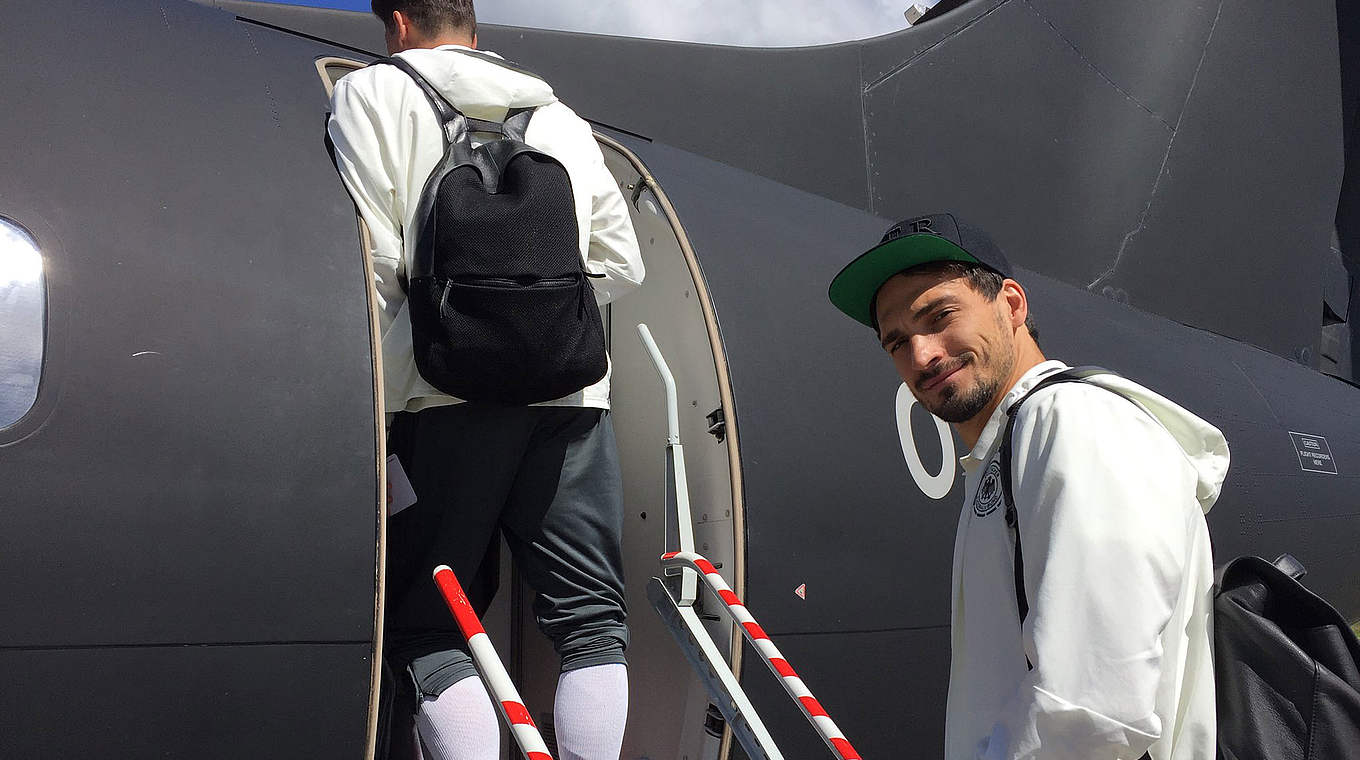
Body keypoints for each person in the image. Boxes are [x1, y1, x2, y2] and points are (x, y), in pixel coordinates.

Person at [327, 2, 644, 759]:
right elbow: (624, 265)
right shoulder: (559, 115)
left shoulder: (371, 94)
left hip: (437, 395)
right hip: (568, 399)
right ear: (470, 20)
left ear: (398, 21)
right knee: (592, 621)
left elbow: (372, 264)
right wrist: (534, 321)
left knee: (431, 624)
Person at [827, 213, 1229, 760]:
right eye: (897, 342)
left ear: (1012, 305)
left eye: (940, 316)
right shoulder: (1009, 449)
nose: (921, 356)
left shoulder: (1073, 420)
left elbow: (1092, 703)